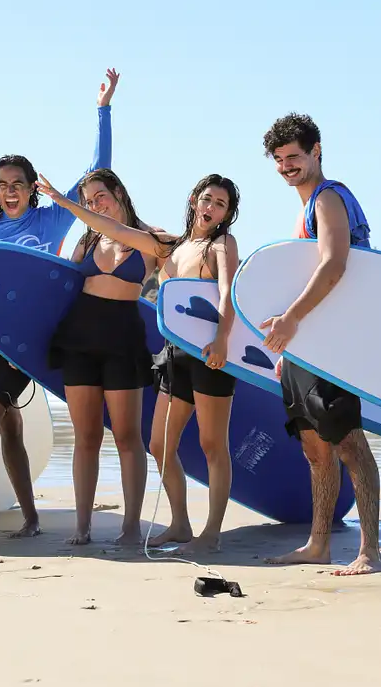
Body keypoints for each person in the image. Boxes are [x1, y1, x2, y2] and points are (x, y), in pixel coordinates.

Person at [0, 69, 119, 545]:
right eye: (2, 184)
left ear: (33, 186)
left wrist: (103, 109)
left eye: (18, 182)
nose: (10, 189)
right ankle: (31, 517)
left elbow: (99, 174)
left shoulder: (53, 218)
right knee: (10, 423)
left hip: (29, 337)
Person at [38, 172, 240, 553]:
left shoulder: (206, 243)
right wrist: (64, 203)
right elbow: (107, 229)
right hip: (171, 352)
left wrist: (223, 339)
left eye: (220, 204)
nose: (210, 207)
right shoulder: (175, 245)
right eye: (207, 199)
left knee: (211, 442)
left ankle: (208, 533)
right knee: (159, 444)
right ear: (194, 199)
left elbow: (229, 289)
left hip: (203, 350)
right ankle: (180, 524)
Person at [260, 112, 381, 575]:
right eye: (279, 159)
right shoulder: (305, 205)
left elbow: (335, 264)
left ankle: (371, 552)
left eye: (294, 155)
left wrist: (290, 321)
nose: (287, 165)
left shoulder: (329, 198)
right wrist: (289, 345)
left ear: (316, 152)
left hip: (333, 341)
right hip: (306, 342)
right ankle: (318, 543)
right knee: (315, 447)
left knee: (349, 442)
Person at [40, 169, 162, 546]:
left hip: (124, 338)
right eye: (89, 202)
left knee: (127, 437)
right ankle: (82, 525)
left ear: (119, 192)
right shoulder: (88, 239)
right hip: (80, 337)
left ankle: (131, 526)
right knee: (86, 436)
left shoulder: (150, 238)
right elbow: (56, 281)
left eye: (99, 197)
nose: (95, 205)